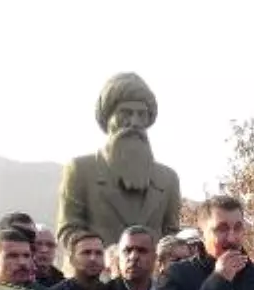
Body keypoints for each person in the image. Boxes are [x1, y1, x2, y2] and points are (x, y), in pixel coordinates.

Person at [56, 73, 181, 248]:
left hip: (152, 275)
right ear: (108, 119)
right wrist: (101, 255)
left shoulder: (168, 179)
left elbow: (172, 234)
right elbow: (68, 230)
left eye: (141, 114)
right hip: (96, 273)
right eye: (125, 113)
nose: (134, 122)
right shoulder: (80, 170)